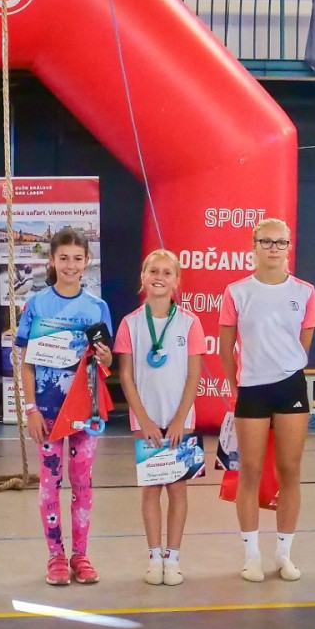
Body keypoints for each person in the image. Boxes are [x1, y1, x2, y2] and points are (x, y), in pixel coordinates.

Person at [218, 217, 315, 582]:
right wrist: (238, 386)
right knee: (250, 471)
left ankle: (284, 554)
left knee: (290, 470)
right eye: (266, 241)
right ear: (254, 245)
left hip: (291, 387)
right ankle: (251, 556)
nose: (274, 248)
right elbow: (226, 347)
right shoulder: (237, 292)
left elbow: (302, 344)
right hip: (252, 390)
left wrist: (286, 367)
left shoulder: (304, 291)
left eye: (281, 242)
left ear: (289, 247)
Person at [15, 227, 113, 586]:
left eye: (77, 258)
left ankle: (81, 555)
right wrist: (31, 409)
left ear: (87, 261)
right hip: (48, 412)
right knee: (50, 482)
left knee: (82, 481)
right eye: (64, 258)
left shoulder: (97, 307)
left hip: (85, 411)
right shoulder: (37, 305)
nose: (71, 265)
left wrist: (105, 356)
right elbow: (26, 363)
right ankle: (55, 556)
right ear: (52, 261)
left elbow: (106, 363)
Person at [115, 249, 204, 586]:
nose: (159, 277)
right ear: (143, 277)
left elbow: (194, 375)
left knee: (178, 489)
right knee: (151, 489)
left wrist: (180, 420)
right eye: (153, 271)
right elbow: (126, 377)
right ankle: (154, 556)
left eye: (167, 273)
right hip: (145, 421)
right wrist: (144, 420)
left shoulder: (190, 323)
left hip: (182, 419)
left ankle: (174, 557)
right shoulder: (131, 323)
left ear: (177, 281)